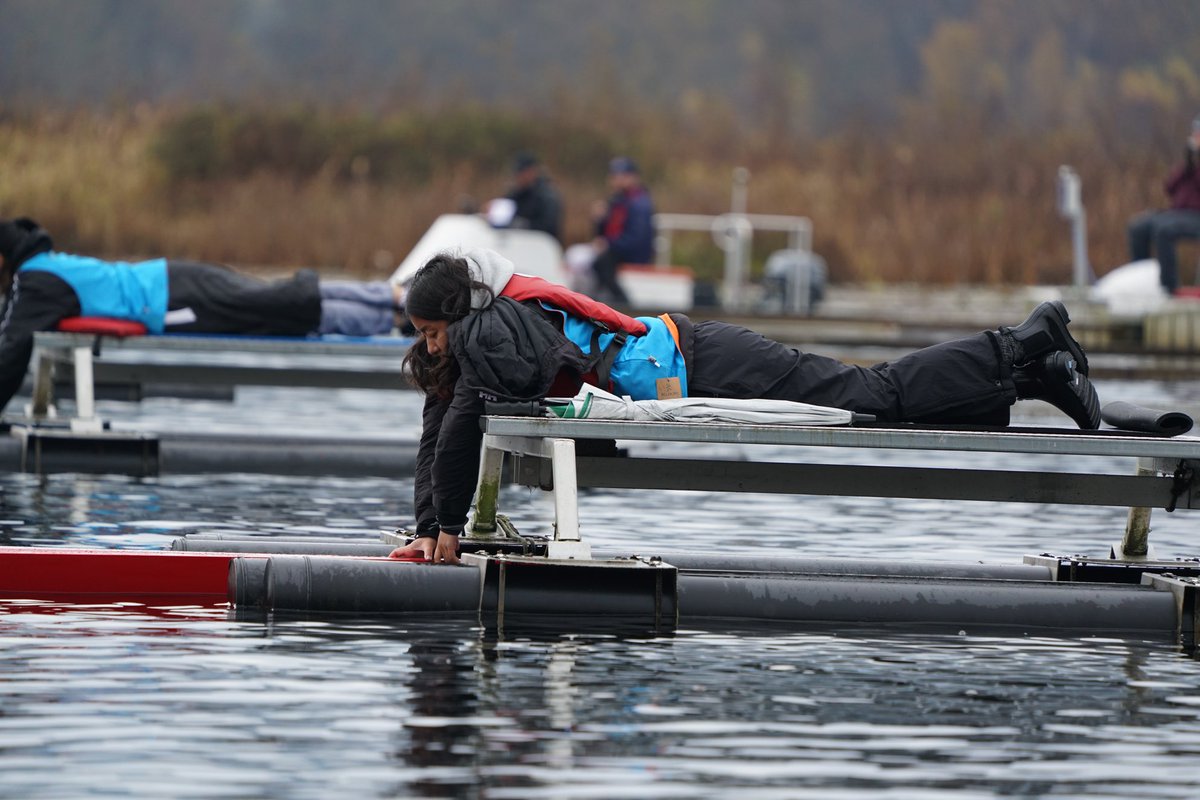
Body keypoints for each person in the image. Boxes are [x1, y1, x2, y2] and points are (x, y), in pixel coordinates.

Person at [389, 249, 1101, 565]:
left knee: (874, 397)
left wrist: (448, 528)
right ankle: (1032, 378)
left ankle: (1022, 343)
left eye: (430, 332)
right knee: (878, 400)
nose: (430, 347)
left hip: (709, 361)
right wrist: (428, 526)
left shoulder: (490, 334)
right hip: (698, 361)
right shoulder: (487, 331)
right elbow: (438, 427)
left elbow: (456, 435)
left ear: (457, 312)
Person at [0, 217, 404, 415]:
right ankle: (389, 300)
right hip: (175, 280)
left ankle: (390, 311)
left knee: (286, 308)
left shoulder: (34, 281)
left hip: (175, 302)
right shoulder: (45, 266)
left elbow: (12, 346)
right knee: (279, 300)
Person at [1127, 113, 1200, 294]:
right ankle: (1142, 281)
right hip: (1178, 213)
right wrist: (1188, 164)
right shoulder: (1190, 161)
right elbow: (1169, 187)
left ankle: (1170, 287)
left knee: (1163, 229)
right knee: (1138, 227)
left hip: (1196, 216)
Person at [587, 156, 656, 305]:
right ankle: (598, 300)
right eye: (614, 175)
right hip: (618, 249)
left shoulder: (639, 203)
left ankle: (624, 303)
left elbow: (637, 239)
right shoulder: (617, 200)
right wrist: (600, 220)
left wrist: (609, 244)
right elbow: (602, 232)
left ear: (633, 177)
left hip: (633, 253)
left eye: (621, 175)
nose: (616, 179)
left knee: (602, 262)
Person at [486, 153, 563, 242]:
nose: (518, 177)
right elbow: (503, 214)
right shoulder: (516, 193)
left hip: (540, 246)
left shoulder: (548, 197)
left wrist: (521, 225)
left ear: (533, 171)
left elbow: (548, 226)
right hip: (516, 244)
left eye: (522, 172)